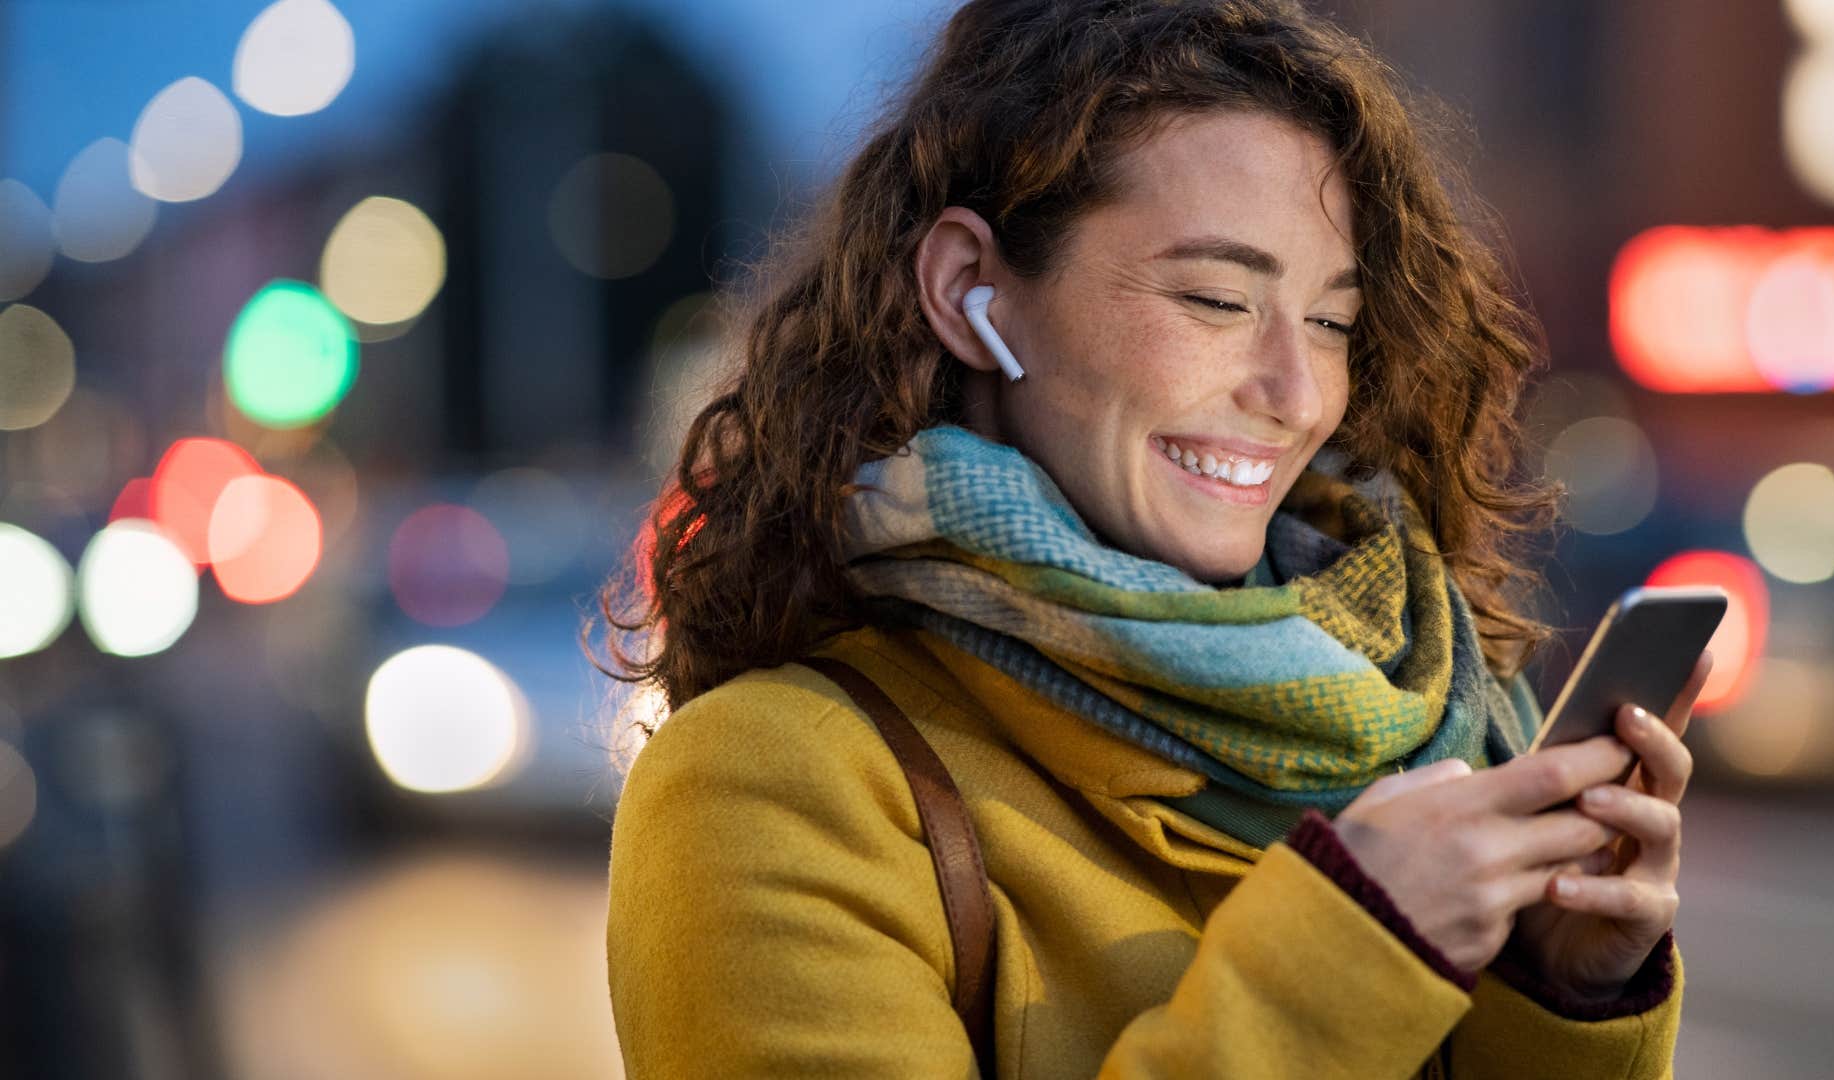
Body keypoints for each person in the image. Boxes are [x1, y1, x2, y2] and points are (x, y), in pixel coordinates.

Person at [603, 1, 1707, 1076]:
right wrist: (1354, 953)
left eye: (1332, 322)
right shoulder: (772, 780)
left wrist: (1559, 991)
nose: (1295, 393)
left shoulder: (1448, 717)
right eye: (1218, 300)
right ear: (968, 289)